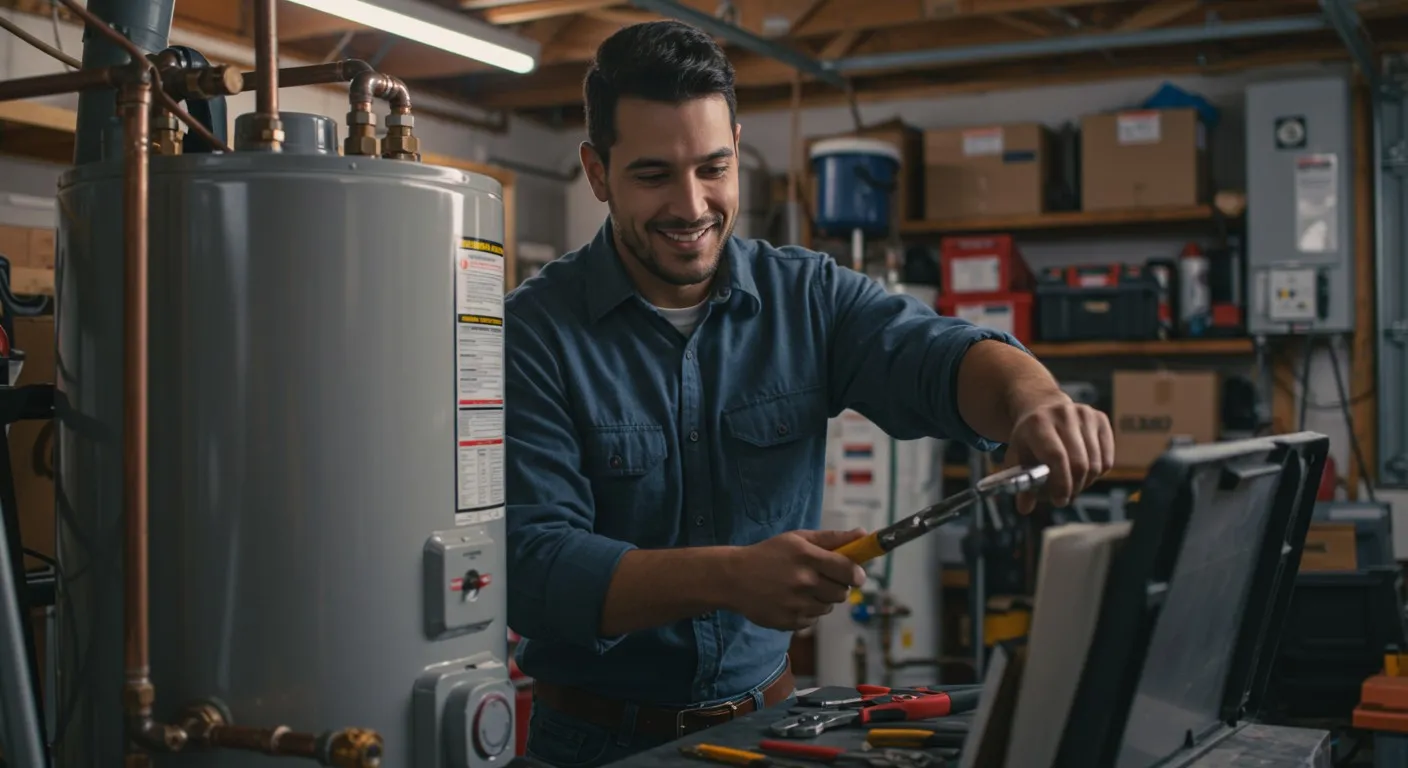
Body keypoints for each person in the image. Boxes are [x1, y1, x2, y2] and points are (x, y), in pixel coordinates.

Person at [503, 19, 1114, 768]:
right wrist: (732, 577)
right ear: (598, 173)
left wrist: (1034, 399)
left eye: (714, 167)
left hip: (772, 733)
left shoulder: (808, 296)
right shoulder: (531, 334)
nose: (692, 206)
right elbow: (533, 565)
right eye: (654, 174)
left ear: (737, 148)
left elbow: (937, 357)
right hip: (596, 746)